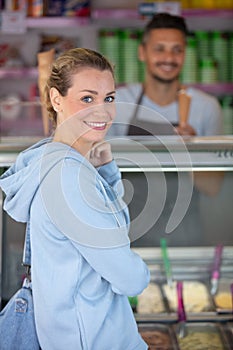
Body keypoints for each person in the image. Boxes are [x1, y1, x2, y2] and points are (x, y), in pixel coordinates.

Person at [0, 48, 150, 350]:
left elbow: (112, 234)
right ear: (56, 99)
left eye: (109, 98)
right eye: (87, 98)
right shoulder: (68, 178)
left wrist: (106, 174)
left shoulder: (54, 159)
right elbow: (130, 279)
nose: (102, 111)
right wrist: (143, 270)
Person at [108, 12, 223, 137]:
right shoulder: (118, 102)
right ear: (142, 52)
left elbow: (215, 156)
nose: (169, 58)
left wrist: (195, 147)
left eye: (177, 50)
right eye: (159, 49)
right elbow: (104, 155)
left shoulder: (207, 107)